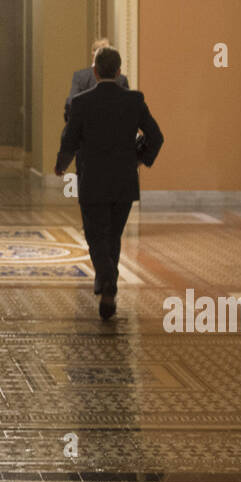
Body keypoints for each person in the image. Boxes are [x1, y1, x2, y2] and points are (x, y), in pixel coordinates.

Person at [54, 47, 162, 320]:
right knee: (113, 235)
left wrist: (61, 166)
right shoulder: (134, 100)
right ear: (119, 71)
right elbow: (156, 136)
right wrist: (139, 159)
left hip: (92, 180)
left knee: (95, 234)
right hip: (124, 181)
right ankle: (107, 286)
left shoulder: (81, 103)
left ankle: (107, 281)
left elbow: (70, 141)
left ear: (94, 71)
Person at [64, 38, 129, 123]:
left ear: (93, 54)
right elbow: (128, 110)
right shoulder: (121, 79)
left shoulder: (80, 76)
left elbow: (71, 105)